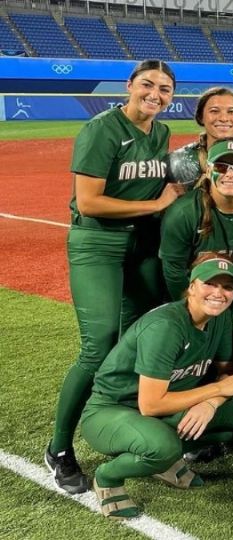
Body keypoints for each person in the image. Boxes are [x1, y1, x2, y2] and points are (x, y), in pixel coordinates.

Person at [45, 59, 187, 494]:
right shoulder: (101, 129)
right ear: (129, 86)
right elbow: (88, 202)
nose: (155, 95)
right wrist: (156, 205)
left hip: (141, 247)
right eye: (147, 85)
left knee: (139, 339)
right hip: (97, 245)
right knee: (98, 344)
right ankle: (60, 449)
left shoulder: (160, 133)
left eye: (164, 89)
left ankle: (126, 427)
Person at [80, 255, 233, 519]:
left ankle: (161, 459)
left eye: (227, 287)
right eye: (210, 284)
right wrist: (216, 391)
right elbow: (151, 405)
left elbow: (225, 373)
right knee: (163, 447)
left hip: (165, 406)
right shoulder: (166, 326)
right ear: (192, 286)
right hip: (113, 410)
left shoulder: (220, 319)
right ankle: (108, 477)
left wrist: (210, 404)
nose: (219, 293)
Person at [160, 139, 233, 367]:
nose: (231, 174)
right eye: (222, 167)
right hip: (199, 298)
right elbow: (174, 272)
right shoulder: (184, 212)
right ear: (208, 170)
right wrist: (195, 314)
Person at [164, 86, 233, 190]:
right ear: (200, 117)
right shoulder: (178, 161)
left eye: (231, 112)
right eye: (214, 111)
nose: (224, 118)